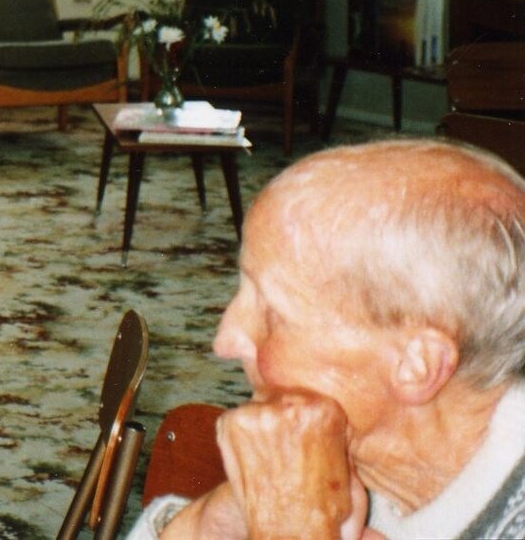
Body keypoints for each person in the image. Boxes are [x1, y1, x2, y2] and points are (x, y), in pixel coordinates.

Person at [129, 139, 525, 540]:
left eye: (274, 315)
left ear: (417, 365)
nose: (225, 341)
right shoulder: (351, 457)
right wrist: (211, 522)